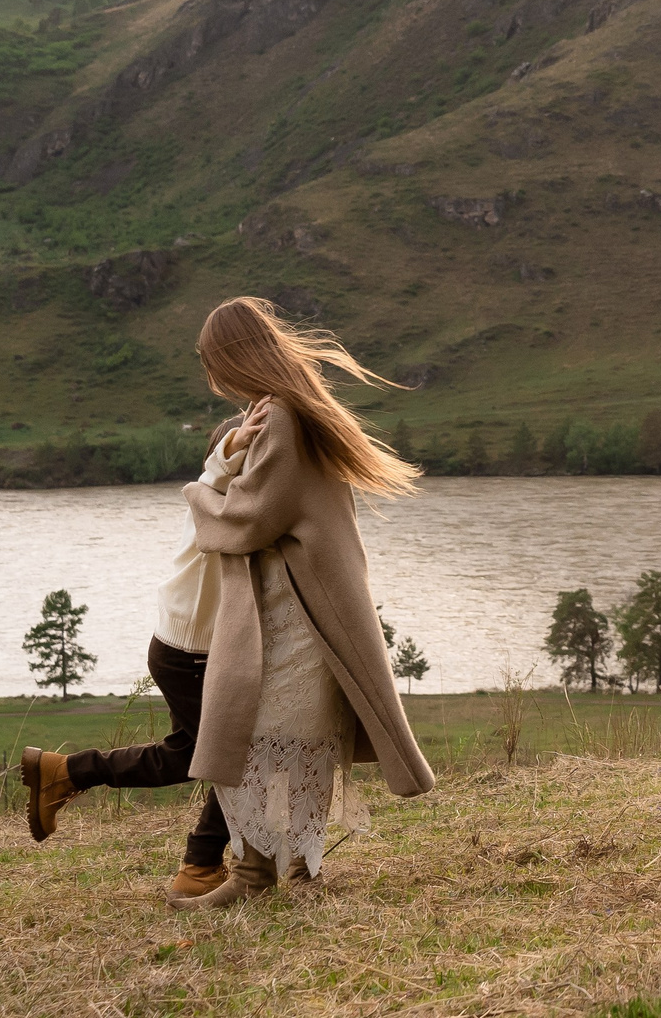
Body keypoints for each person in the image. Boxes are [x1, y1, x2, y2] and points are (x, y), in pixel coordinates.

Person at [164, 296, 436, 909]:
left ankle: (269, 874)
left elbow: (250, 517)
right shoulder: (282, 409)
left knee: (265, 731)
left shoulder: (283, 415)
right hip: (296, 603)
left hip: (297, 608)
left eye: (218, 364)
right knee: (279, 733)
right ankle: (279, 870)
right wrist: (232, 451)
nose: (216, 380)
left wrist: (196, 493)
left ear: (237, 357)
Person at [20, 412, 251, 898]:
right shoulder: (214, 501)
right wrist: (236, 448)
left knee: (185, 755)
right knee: (243, 755)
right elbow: (217, 472)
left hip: (186, 652)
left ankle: (65, 773)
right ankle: (200, 866)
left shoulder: (240, 510)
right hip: (192, 658)